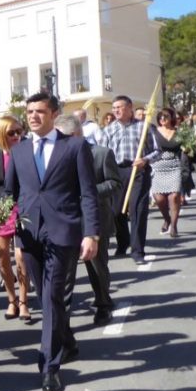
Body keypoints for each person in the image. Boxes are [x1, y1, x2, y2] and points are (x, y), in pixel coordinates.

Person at [5, 92, 99, 391]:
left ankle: (49, 366)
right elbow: (10, 194)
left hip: (63, 231)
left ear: (54, 114)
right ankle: (68, 341)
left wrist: (91, 233)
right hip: (30, 233)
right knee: (46, 294)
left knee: (51, 297)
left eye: (40, 111)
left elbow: (88, 193)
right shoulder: (18, 151)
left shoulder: (74, 146)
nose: (33, 116)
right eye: (29, 111)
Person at [57, 112, 120, 325]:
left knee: (96, 266)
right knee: (65, 272)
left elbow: (114, 183)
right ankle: (61, 319)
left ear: (77, 134)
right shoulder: (57, 157)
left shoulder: (101, 154)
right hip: (67, 222)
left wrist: (88, 191)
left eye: (63, 137)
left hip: (94, 221)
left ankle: (103, 303)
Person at [0, 115, 32, 322]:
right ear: (1, 134)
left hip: (24, 210)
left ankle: (23, 302)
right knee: (2, 256)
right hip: (0, 212)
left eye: (19, 131)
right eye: (11, 132)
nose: (16, 136)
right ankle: (11, 299)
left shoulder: (28, 153)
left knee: (21, 257)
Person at [103, 95, 158, 264]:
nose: (116, 111)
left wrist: (145, 160)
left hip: (138, 171)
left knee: (137, 210)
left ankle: (137, 251)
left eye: (119, 107)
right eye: (114, 108)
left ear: (129, 107)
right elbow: (103, 153)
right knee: (116, 210)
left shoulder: (143, 127)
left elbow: (157, 150)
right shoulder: (108, 130)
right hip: (117, 171)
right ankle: (123, 242)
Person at [150, 107, 185, 237]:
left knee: (174, 197)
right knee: (159, 198)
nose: (162, 119)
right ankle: (167, 219)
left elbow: (186, 148)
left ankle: (174, 226)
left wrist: (188, 148)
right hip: (158, 167)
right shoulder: (153, 132)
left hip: (174, 166)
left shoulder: (179, 133)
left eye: (165, 116)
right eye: (160, 117)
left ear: (172, 118)